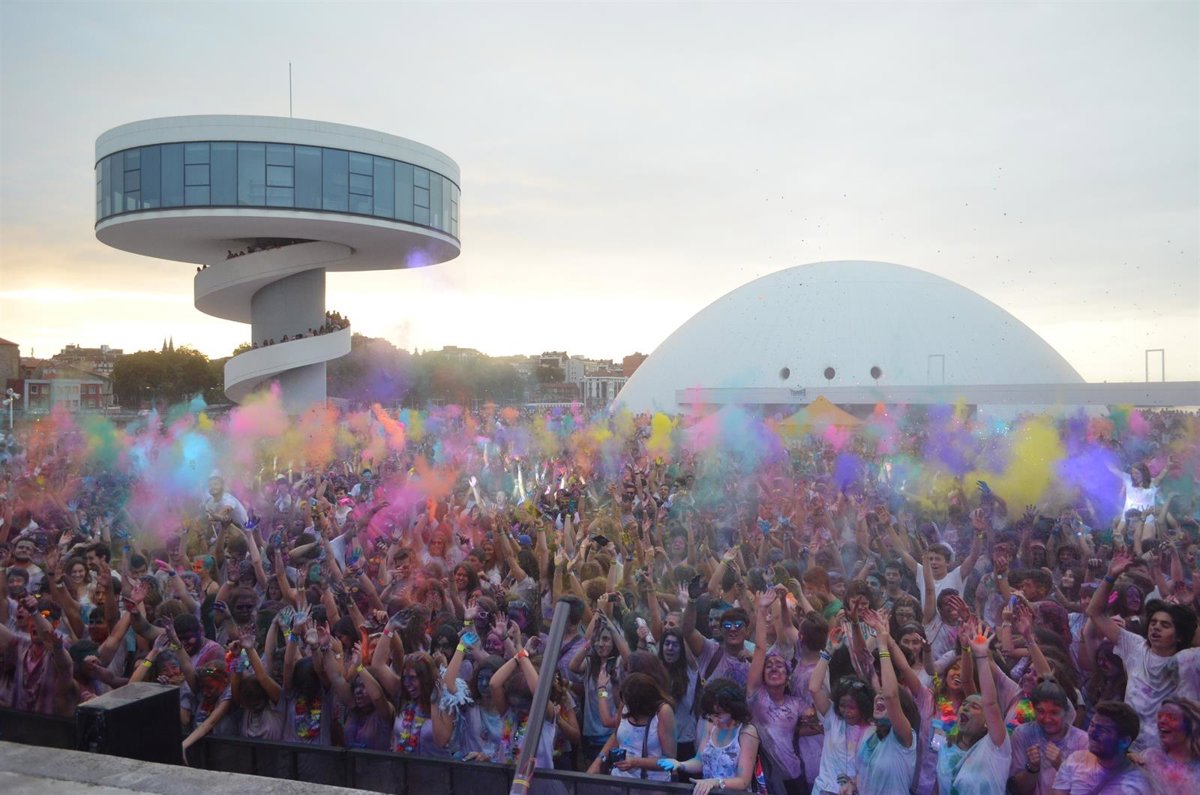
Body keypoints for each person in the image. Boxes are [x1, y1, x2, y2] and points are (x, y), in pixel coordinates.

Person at [1086, 553, 1200, 749]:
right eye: (1153, 622)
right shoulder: (1135, 647)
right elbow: (1094, 612)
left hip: (1171, 752)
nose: (1156, 627)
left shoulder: (1189, 661)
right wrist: (1110, 576)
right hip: (1131, 748)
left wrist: (1190, 605)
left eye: (1165, 625)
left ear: (1179, 636)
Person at [937, 627, 1011, 795]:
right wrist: (965, 647)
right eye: (964, 704)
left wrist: (982, 656)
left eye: (975, 706)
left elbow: (990, 703)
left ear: (988, 722)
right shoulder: (948, 746)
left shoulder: (996, 746)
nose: (966, 707)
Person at [853, 609, 920, 794]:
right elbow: (864, 772)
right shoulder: (869, 734)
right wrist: (852, 784)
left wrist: (883, 646)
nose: (880, 697)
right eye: (878, 694)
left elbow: (891, 696)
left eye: (885, 696)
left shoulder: (904, 738)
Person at [657, 678, 761, 795]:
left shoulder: (746, 732)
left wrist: (716, 782)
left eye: (718, 715)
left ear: (733, 709)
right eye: (711, 715)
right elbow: (699, 761)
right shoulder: (710, 725)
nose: (714, 720)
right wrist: (680, 764)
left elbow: (743, 781)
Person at [809, 620, 874, 795]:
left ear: (863, 706)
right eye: (843, 705)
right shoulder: (833, 716)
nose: (846, 711)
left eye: (852, 707)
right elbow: (814, 688)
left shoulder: (872, 730)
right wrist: (827, 652)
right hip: (823, 789)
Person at [1051, 701, 1152, 794]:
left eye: (1102, 730)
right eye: (1092, 725)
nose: (1092, 733)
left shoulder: (1138, 784)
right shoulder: (1075, 760)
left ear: (1125, 741)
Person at [1009, 679, 1089, 795]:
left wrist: (1061, 766)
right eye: (1041, 711)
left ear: (1065, 712)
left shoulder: (1082, 741)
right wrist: (1032, 768)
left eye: (1054, 713)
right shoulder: (1022, 734)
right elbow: (1018, 790)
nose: (1047, 719)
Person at [1137, 697, 1200, 790]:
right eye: (1159, 716)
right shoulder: (1150, 758)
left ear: (1191, 726)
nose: (1161, 721)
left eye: (1171, 718)